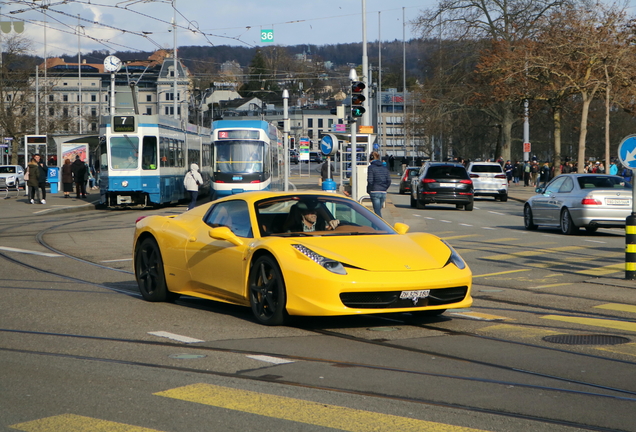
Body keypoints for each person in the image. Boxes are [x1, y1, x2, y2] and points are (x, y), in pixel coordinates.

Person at [367, 151, 392, 217]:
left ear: (371, 158)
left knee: (377, 213)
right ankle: (375, 226)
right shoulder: (384, 168)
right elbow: (389, 180)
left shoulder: (371, 168)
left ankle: (379, 226)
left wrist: (369, 190)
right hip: (383, 192)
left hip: (374, 191)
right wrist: (384, 188)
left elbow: (370, 181)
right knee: (378, 210)